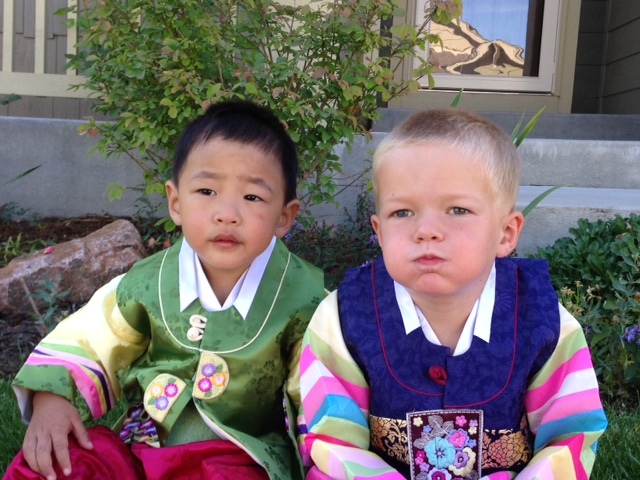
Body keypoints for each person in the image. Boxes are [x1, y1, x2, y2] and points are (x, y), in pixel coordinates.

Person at [7, 99, 325, 480]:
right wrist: (52, 396)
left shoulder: (304, 300)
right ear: (175, 202)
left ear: (285, 217)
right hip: (143, 451)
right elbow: (89, 337)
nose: (226, 213)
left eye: (252, 197)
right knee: (67, 463)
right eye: (206, 191)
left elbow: (321, 396)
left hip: (239, 458)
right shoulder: (148, 283)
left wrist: (325, 460)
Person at [297, 109, 608, 479]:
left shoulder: (542, 320)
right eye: (402, 212)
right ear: (378, 232)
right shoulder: (344, 318)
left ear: (506, 233)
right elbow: (331, 441)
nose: (427, 230)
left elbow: (570, 438)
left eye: (457, 210)